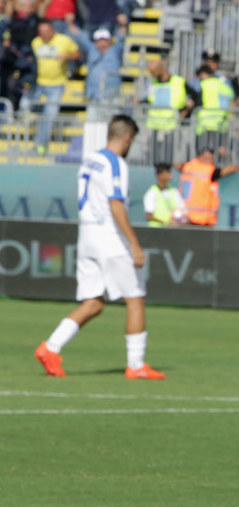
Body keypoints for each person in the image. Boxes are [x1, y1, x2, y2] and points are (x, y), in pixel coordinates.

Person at [34, 114, 166, 380]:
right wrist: (134, 244)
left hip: (87, 237)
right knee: (135, 298)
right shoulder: (115, 163)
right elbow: (116, 205)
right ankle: (136, 365)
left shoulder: (90, 159)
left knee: (94, 303)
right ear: (127, 138)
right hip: (110, 238)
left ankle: (50, 348)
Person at [29, 17, 80, 154]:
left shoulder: (64, 40)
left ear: (53, 30)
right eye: (41, 32)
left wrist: (67, 57)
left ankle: (40, 145)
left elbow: (77, 54)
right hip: (39, 84)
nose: (44, 34)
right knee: (25, 106)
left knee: (49, 116)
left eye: (47, 31)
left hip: (56, 85)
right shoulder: (35, 42)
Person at [65, 13, 127, 109]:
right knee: (93, 116)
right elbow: (78, 35)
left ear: (109, 40)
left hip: (112, 93)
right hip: (94, 93)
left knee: (112, 115)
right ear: (95, 41)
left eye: (104, 39)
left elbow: (121, 35)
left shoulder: (115, 50)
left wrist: (123, 24)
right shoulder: (91, 49)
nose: (102, 42)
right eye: (99, 40)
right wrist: (70, 23)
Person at [174, 147, 239, 226]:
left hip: (185, 216)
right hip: (201, 218)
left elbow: (177, 165)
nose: (209, 160)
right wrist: (238, 167)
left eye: (211, 158)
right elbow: (226, 171)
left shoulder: (187, 166)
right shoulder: (209, 170)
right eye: (207, 157)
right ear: (200, 157)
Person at [193, 63, 234, 154]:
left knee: (203, 154)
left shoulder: (204, 84)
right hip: (222, 125)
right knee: (220, 153)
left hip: (205, 124)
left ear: (203, 74)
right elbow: (231, 102)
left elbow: (197, 102)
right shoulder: (225, 85)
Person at [143, 162, 188, 227]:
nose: (170, 175)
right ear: (159, 175)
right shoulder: (152, 193)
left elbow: (182, 209)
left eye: (170, 173)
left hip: (172, 230)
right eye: (167, 173)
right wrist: (166, 223)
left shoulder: (174, 191)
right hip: (157, 230)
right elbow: (149, 216)